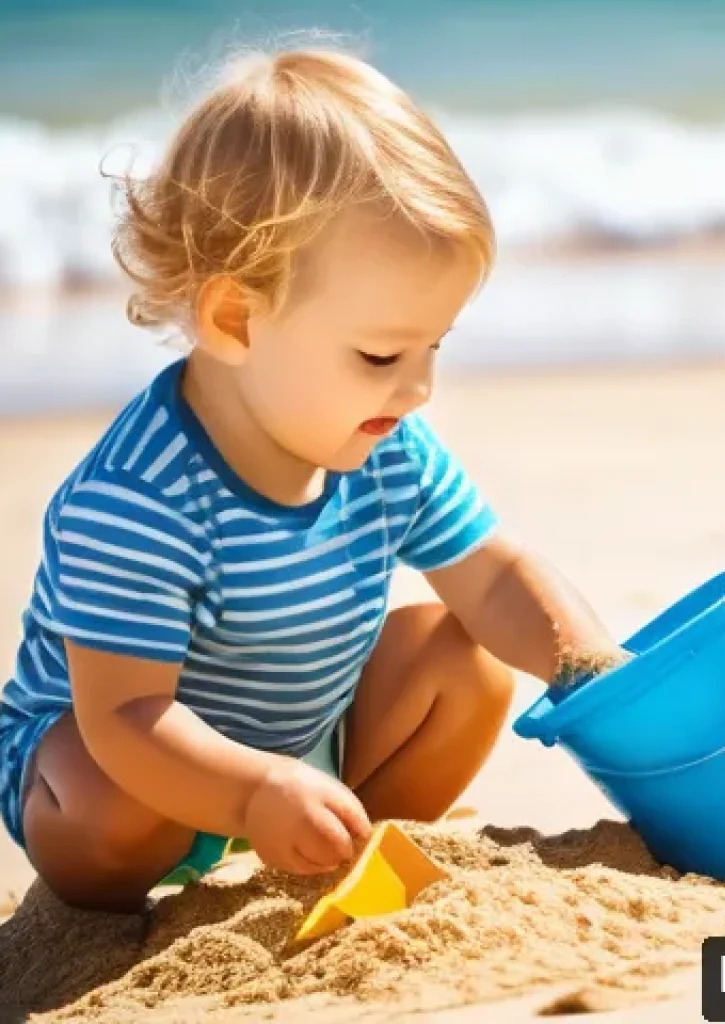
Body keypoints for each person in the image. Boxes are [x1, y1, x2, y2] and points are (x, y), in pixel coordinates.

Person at [0, 46, 626, 914]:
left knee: (464, 659)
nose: (418, 388)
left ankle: (339, 852)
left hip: (307, 739)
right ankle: (150, 886)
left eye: (431, 347)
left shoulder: (386, 445)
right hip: (123, 763)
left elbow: (491, 573)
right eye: (379, 354)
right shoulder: (138, 499)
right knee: (109, 802)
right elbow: (126, 719)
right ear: (234, 319)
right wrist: (250, 791)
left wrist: (594, 668)